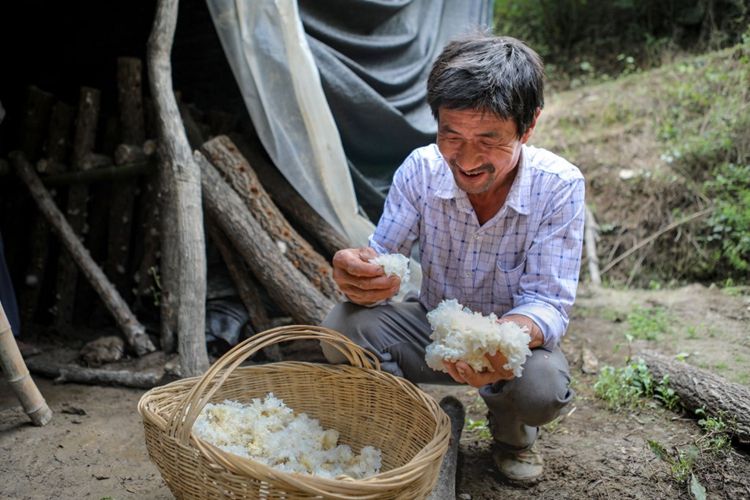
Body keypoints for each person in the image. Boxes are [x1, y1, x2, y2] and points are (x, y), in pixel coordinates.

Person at [321, 34, 585, 484]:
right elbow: (386, 255)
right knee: (343, 328)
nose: (466, 159)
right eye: (451, 134)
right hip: (432, 326)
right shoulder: (421, 170)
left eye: (489, 138)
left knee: (542, 388)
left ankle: (512, 434)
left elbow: (547, 302)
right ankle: (406, 422)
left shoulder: (558, 186)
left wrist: (501, 341)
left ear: (529, 125)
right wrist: (362, 271)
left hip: (511, 339)